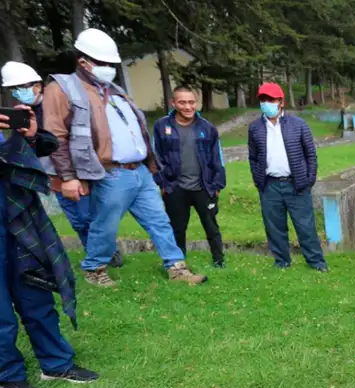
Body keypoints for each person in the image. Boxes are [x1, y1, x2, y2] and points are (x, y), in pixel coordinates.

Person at [43, 28, 206, 287]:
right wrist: (68, 177)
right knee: (105, 225)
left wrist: (150, 166)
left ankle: (176, 267)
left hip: (139, 171)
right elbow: (55, 137)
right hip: (109, 172)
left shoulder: (114, 89)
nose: (109, 68)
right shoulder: (61, 88)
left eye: (111, 63)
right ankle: (95, 269)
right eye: (103, 63)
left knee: (159, 220)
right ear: (83, 61)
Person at [0, 105, 98, 388]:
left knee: (36, 296)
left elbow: (46, 146)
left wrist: (28, 136)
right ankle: (8, 377)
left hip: (19, 224)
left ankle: (56, 363)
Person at [3, 61, 125, 267]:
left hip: (73, 173)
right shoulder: (20, 115)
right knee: (77, 220)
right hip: (51, 175)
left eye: (23, 87)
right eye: (14, 89)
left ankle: (107, 253)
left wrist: (75, 174)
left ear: (38, 85)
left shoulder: (58, 104)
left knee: (89, 216)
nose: (18, 92)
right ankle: (95, 255)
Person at [247, 82, 327, 272]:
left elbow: (311, 155)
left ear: (281, 102)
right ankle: (282, 261)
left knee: (305, 226)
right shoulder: (255, 128)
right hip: (269, 185)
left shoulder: (299, 125)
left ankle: (316, 263)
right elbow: (253, 157)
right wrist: (258, 180)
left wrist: (309, 180)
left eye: (271, 100)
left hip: (296, 184)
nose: (266, 103)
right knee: (274, 228)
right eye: (263, 100)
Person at [153, 86, 227, 268]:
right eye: (182, 102)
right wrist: (163, 184)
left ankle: (219, 260)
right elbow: (156, 157)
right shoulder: (162, 126)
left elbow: (217, 158)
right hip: (175, 187)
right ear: (173, 103)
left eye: (191, 102)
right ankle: (179, 263)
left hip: (203, 186)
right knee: (177, 228)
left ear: (197, 103)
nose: (187, 107)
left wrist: (217, 184)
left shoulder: (208, 128)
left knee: (211, 226)